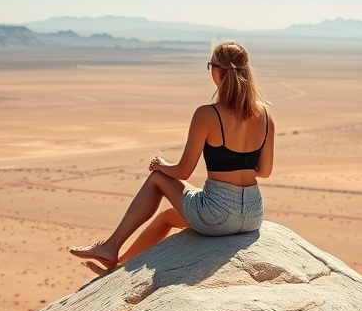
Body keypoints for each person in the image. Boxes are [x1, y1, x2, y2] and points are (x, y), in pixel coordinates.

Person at [69, 41, 275, 273]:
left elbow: (183, 172)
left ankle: (111, 246)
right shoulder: (265, 114)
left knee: (157, 178)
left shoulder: (208, 114)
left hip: (217, 214)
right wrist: (239, 168)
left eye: (210, 66)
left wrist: (162, 165)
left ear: (217, 71)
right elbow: (265, 171)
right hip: (253, 214)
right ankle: (118, 266)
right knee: (167, 218)